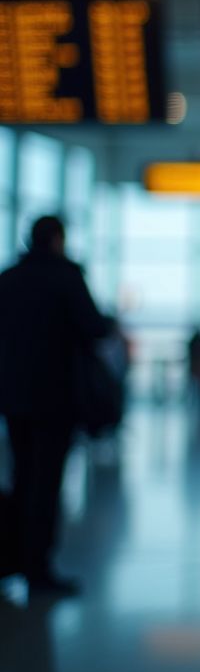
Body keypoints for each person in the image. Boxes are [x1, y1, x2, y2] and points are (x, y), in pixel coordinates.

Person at [0, 216, 108, 596]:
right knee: (46, 485)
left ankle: (13, 558)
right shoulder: (66, 278)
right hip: (55, 398)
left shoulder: (8, 279)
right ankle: (37, 568)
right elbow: (94, 328)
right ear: (58, 240)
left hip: (13, 398)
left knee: (22, 479)